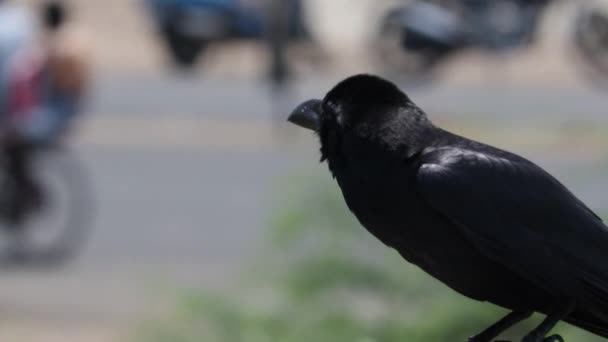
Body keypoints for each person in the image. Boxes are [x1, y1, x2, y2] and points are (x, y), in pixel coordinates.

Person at [3, 0, 89, 224]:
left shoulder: (61, 46)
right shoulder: (32, 30)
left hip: (48, 116)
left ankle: (18, 198)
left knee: (10, 139)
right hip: (47, 111)